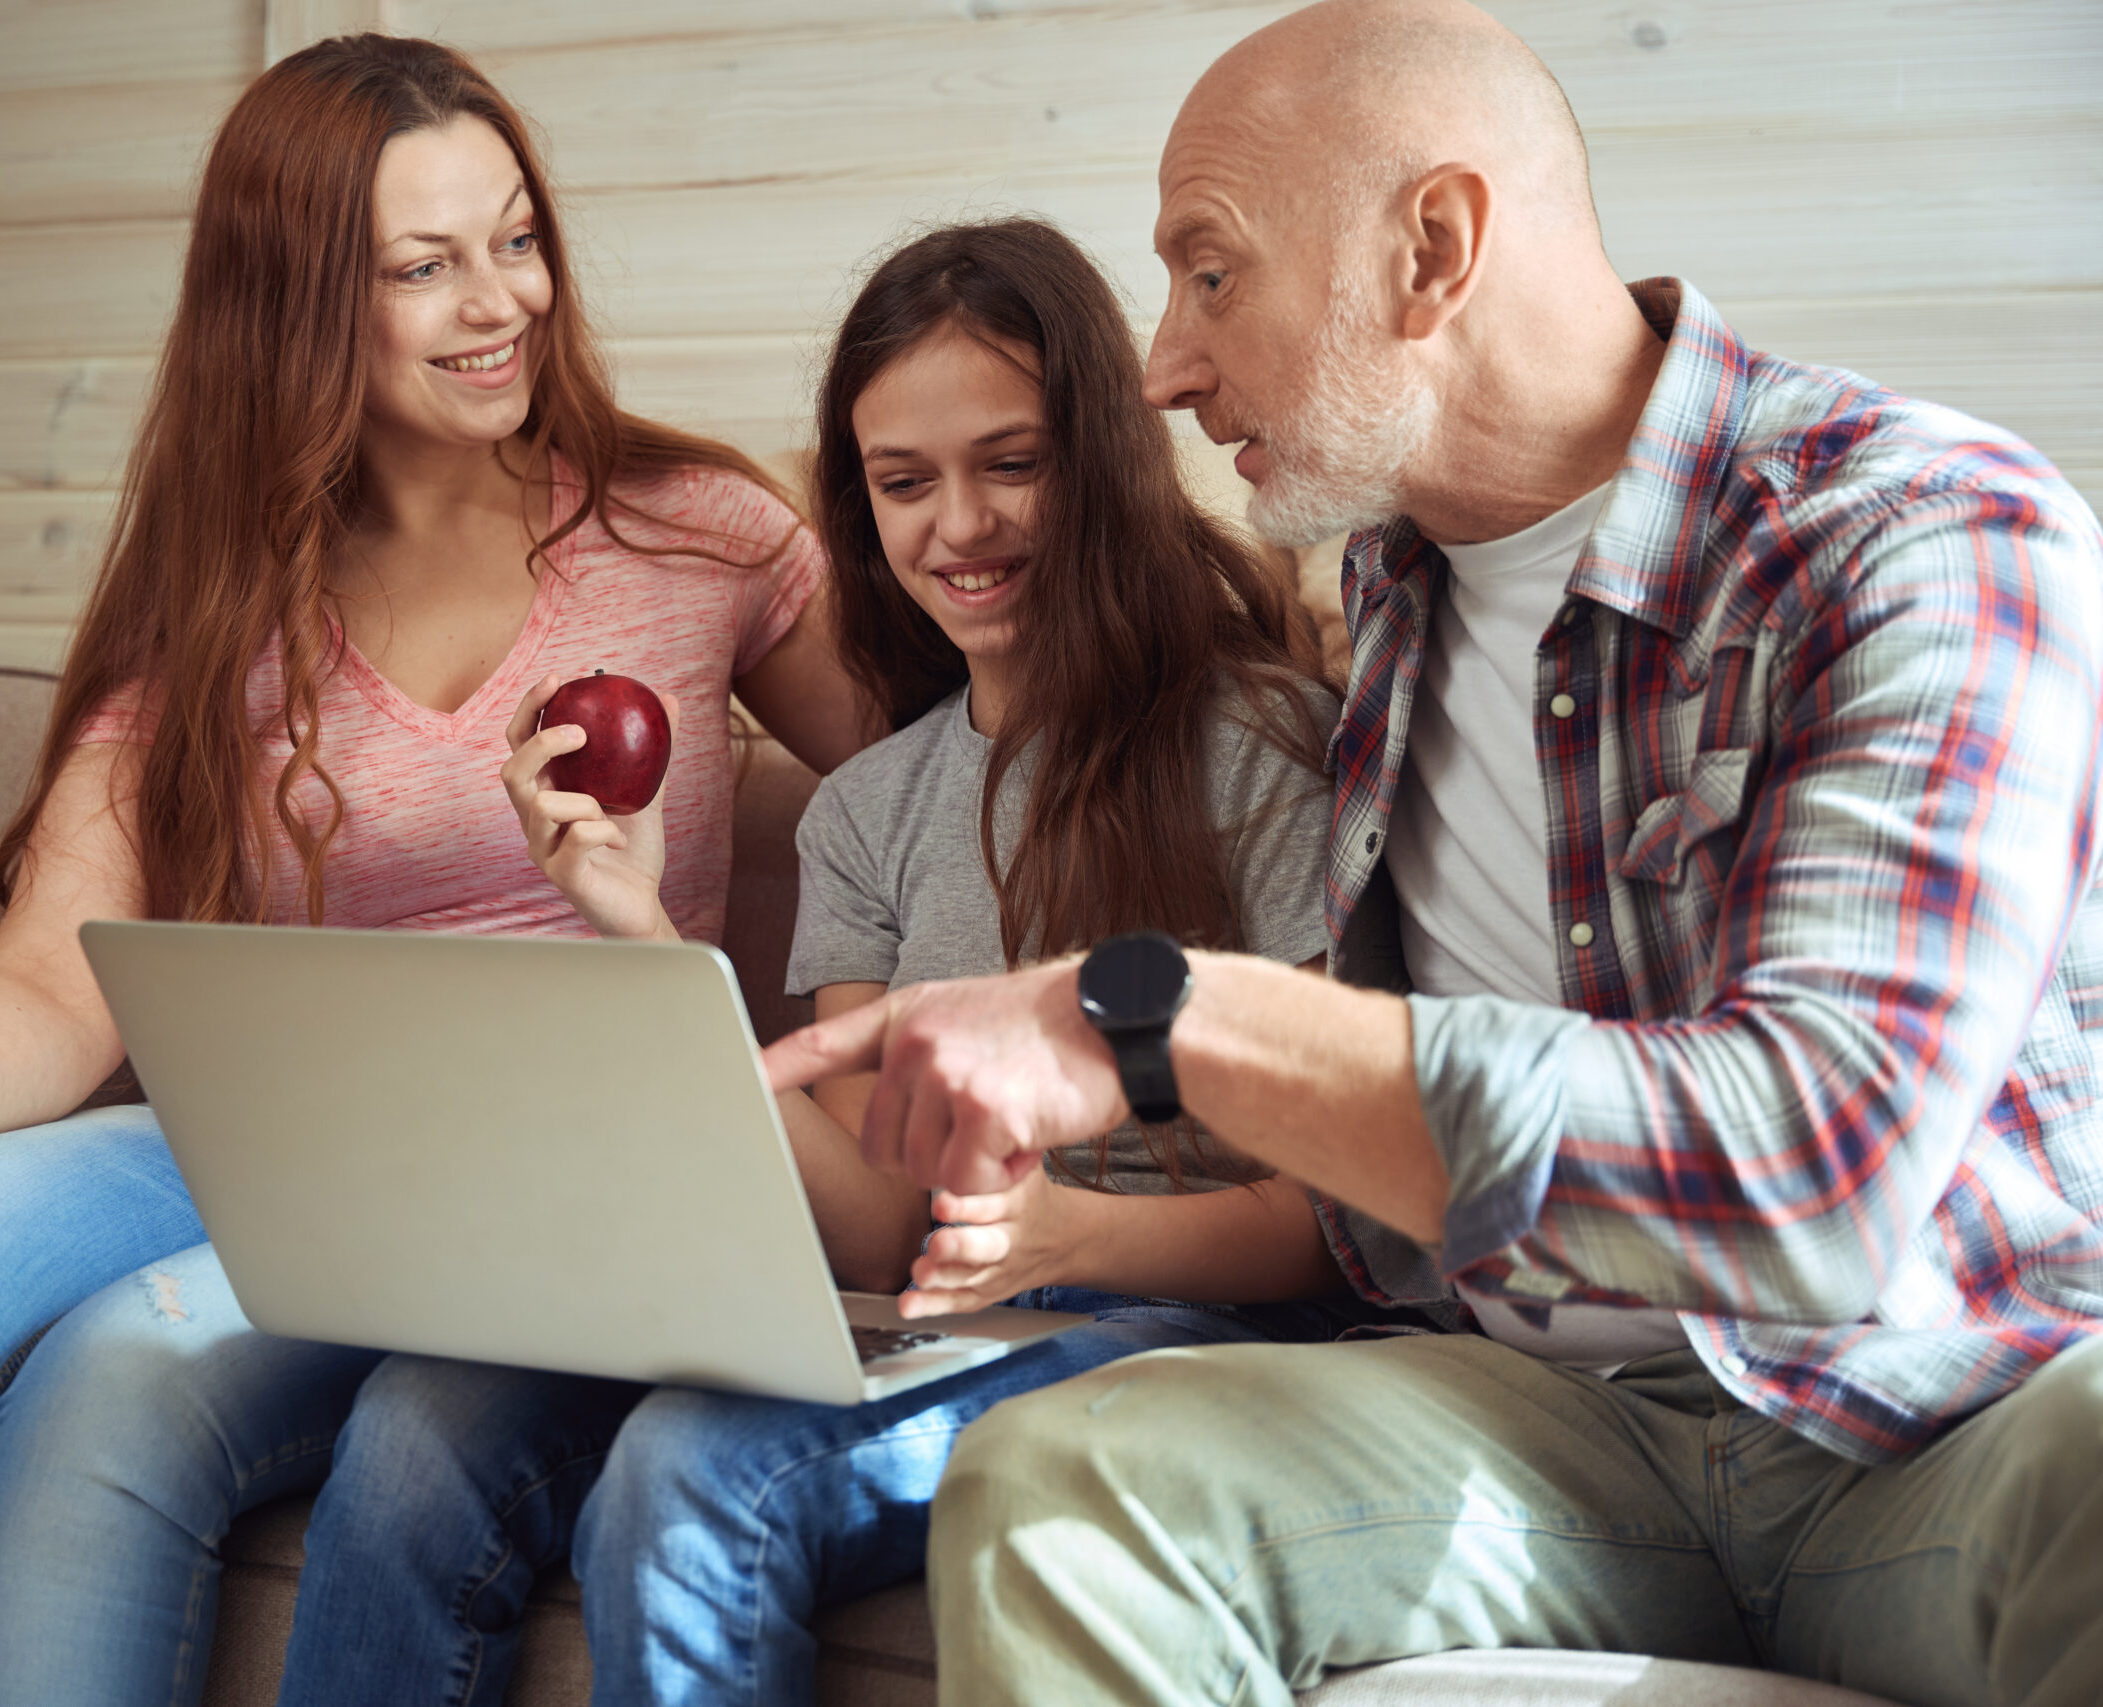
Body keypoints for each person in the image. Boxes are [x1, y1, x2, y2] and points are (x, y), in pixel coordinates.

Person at [763, 4, 2103, 1705]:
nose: (1166, 365)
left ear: (1435, 247)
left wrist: (1161, 1017)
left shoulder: (1917, 538)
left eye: (1211, 273)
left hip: (1937, 1413)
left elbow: (1817, 1178)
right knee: (1067, 1484)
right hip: (1552, 1431)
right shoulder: (1390, 590)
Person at [0, 35, 864, 1707]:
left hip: (536, 1179)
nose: (500, 299)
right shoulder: (219, 589)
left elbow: (952, 754)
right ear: (298, 300)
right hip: (270, 1141)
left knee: (109, 1384)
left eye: (516, 238)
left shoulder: (699, 533)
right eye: (424, 266)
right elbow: (54, 969)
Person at [261, 216, 1377, 1707]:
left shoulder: (1254, 750)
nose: (959, 526)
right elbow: (871, 1230)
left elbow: (1346, 1224)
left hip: (1185, 1324)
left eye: (1013, 463)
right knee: (412, 1425)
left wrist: (1073, 1237)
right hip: (935, 1317)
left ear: (1102, 459)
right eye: (904, 483)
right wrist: (639, 933)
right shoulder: (866, 813)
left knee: (687, 1473)